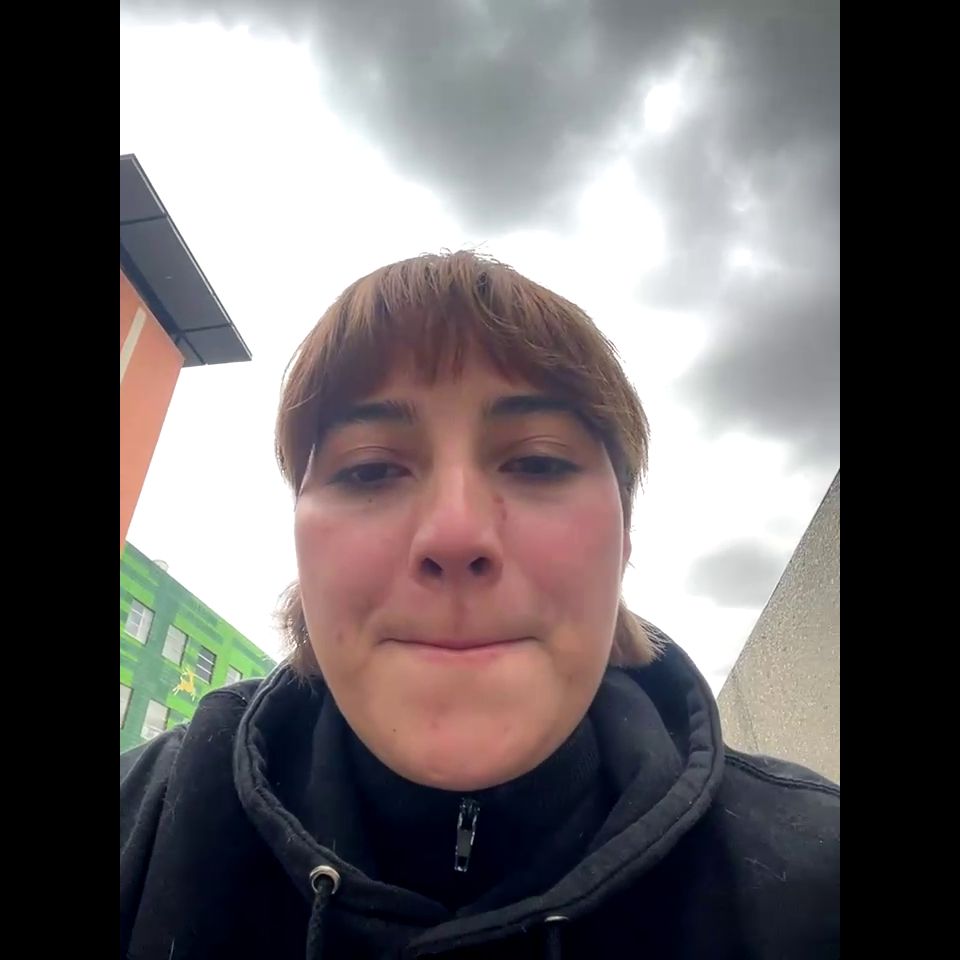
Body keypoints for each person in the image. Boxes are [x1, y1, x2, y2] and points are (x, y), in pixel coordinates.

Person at [120, 251, 839, 959]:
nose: (456, 533)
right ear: (303, 549)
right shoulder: (144, 827)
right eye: (370, 469)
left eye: (538, 461)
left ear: (622, 540)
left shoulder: (817, 881)